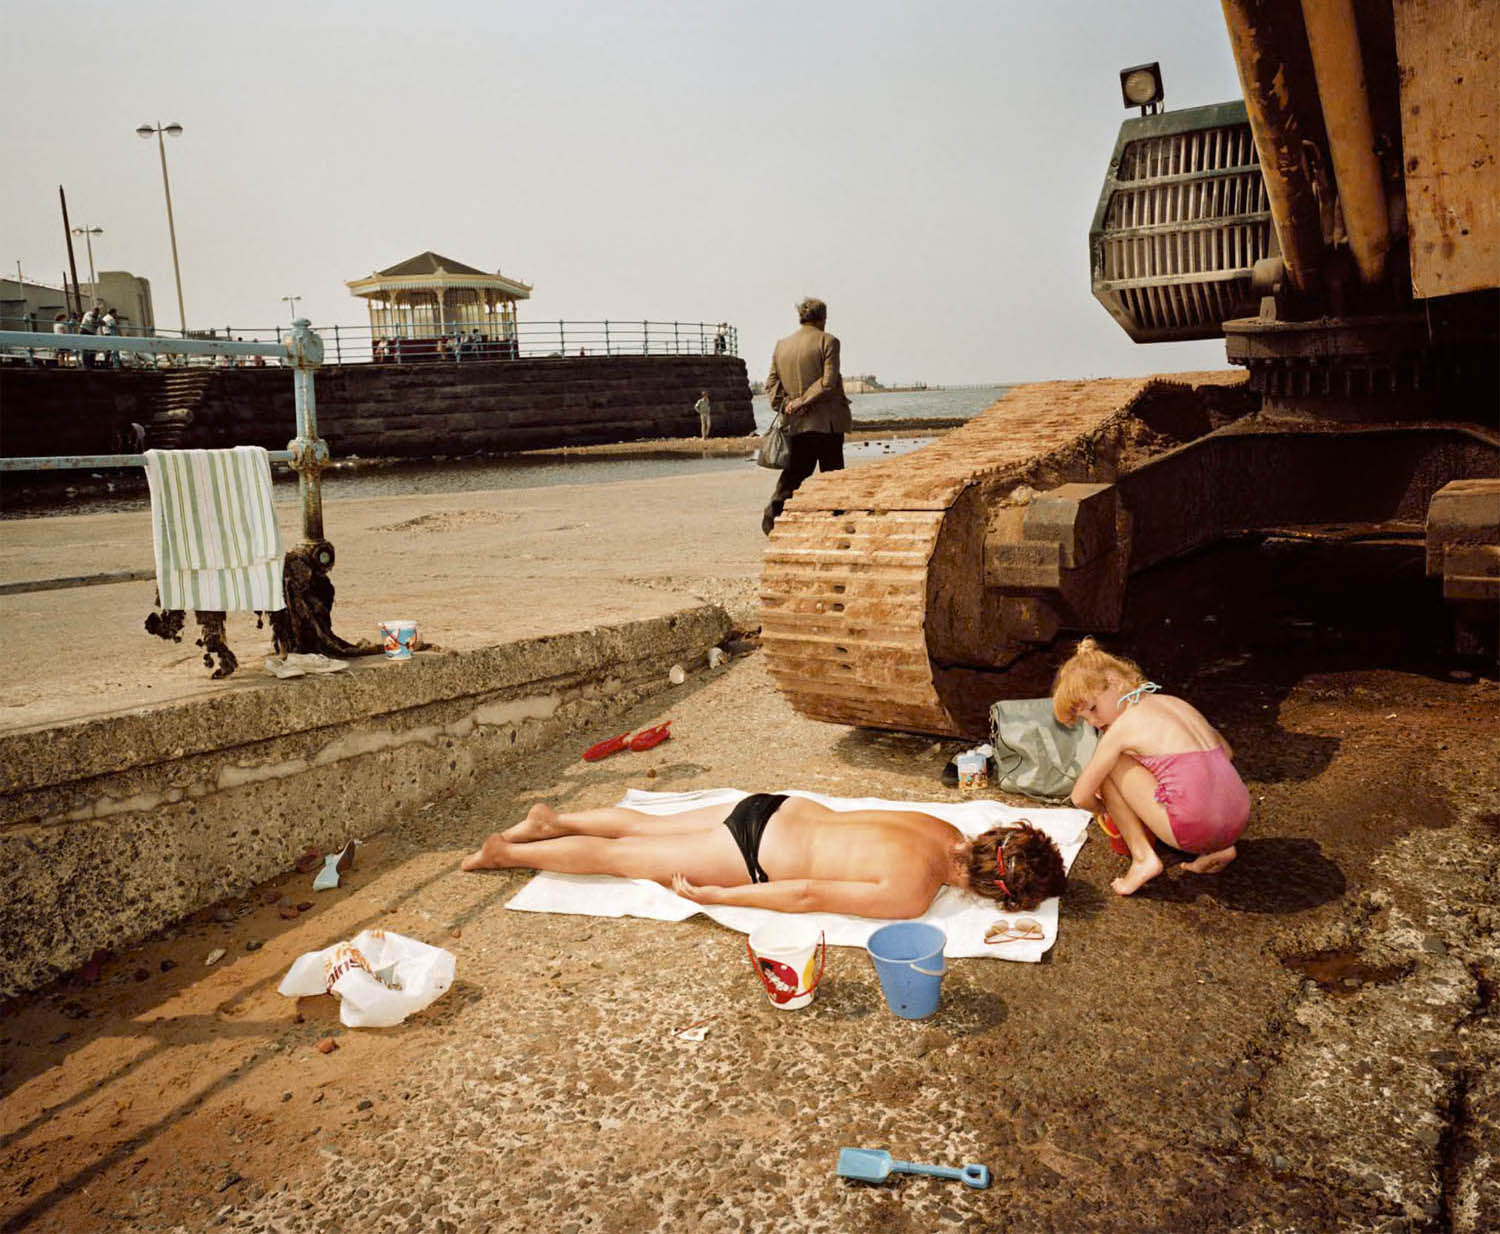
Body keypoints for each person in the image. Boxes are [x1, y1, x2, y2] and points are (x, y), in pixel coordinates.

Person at [462, 793, 1066, 918]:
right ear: (992, 891)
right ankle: (506, 856)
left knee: (650, 825)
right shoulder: (913, 893)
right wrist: (723, 897)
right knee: (623, 858)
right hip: (755, 851)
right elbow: (805, 894)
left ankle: (554, 819)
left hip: (775, 807)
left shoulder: (941, 827)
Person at [1053, 638, 1250, 896]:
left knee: (1110, 765)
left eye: (1093, 709)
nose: (1094, 721)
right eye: (1085, 719)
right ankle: (1219, 847)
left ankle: (1143, 858)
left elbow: (1080, 796)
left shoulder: (1122, 727)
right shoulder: (1176, 703)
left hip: (1195, 828)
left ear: (1115, 682)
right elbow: (1226, 752)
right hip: (1238, 817)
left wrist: (1106, 809)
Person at [762, 297, 852, 535]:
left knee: (794, 473)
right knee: (832, 474)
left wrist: (788, 405)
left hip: (796, 423)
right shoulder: (828, 341)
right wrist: (803, 401)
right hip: (827, 422)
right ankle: (836, 522)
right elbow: (827, 382)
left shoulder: (782, 345)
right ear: (823, 318)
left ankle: (772, 516)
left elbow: (771, 383)